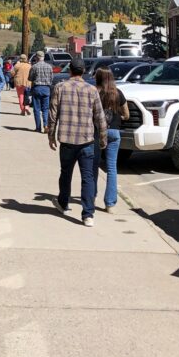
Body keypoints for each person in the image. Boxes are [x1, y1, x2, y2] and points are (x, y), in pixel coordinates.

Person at [47, 56, 107, 226]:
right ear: (83, 71)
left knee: (66, 173)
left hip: (67, 139)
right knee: (88, 177)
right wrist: (102, 138)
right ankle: (88, 214)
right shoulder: (92, 90)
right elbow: (100, 117)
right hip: (87, 140)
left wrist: (51, 135)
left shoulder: (60, 87)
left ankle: (64, 203)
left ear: (70, 70)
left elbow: (53, 115)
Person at [93, 67, 129, 213]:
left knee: (93, 165)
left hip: (96, 131)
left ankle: (91, 195)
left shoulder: (95, 92)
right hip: (114, 131)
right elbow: (126, 114)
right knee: (112, 168)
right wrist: (119, 117)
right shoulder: (117, 93)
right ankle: (110, 203)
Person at [27, 50, 53, 132]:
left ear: (37, 57)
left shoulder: (34, 67)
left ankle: (38, 127)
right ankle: (46, 125)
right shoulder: (49, 66)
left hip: (37, 88)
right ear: (43, 57)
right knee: (45, 108)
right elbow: (52, 78)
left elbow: (30, 78)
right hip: (46, 88)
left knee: (37, 109)